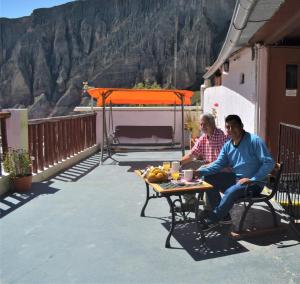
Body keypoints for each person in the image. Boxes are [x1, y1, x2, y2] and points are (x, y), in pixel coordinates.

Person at [197, 115, 275, 231]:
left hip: (254, 184)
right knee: (208, 178)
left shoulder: (254, 140)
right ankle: (224, 216)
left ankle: (213, 219)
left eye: (234, 126)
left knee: (231, 190)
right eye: (227, 127)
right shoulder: (228, 145)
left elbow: (269, 163)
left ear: (242, 126)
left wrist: (253, 179)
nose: (230, 130)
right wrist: (199, 172)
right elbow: (218, 164)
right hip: (236, 179)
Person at [179, 113, 227, 211]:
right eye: (201, 124)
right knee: (185, 168)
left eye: (204, 124)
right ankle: (190, 201)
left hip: (222, 169)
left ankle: (209, 208)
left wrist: (203, 168)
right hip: (207, 165)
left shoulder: (221, 136)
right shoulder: (204, 137)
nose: (202, 127)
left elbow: (222, 161)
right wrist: (177, 164)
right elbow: (192, 154)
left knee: (205, 173)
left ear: (212, 123)